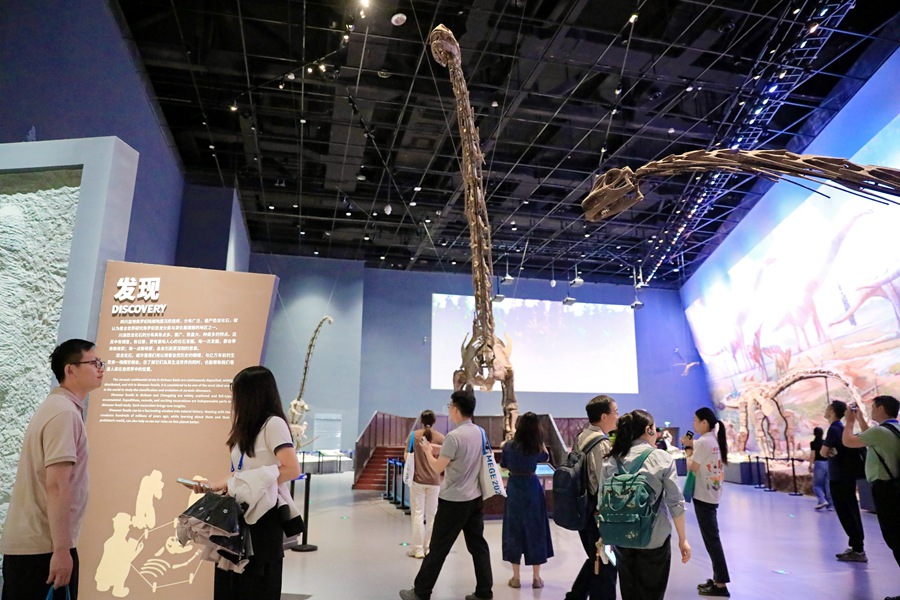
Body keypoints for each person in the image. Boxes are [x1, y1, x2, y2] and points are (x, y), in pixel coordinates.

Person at [0, 339, 104, 600]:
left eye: (101, 363)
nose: (100, 368)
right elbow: (57, 484)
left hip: (37, 548)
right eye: (94, 363)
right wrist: (61, 550)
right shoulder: (64, 413)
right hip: (42, 550)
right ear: (70, 370)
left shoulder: (58, 408)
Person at [200, 366, 302, 600]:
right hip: (237, 516)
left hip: (262, 518)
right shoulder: (246, 428)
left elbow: (292, 469)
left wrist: (250, 483)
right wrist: (214, 486)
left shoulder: (273, 424)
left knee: (256, 585)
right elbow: (241, 473)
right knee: (230, 583)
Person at [400, 390, 493, 600]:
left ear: (457, 409)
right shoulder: (480, 432)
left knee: (438, 548)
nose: (449, 409)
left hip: (453, 501)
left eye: (450, 405)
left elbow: (437, 467)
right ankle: (484, 591)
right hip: (474, 498)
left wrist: (427, 452)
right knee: (478, 546)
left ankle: (421, 592)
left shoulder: (454, 436)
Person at [600, 409, 691, 600]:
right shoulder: (662, 458)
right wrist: (683, 539)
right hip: (654, 536)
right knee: (652, 592)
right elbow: (675, 501)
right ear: (649, 430)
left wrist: (605, 535)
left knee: (629, 592)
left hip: (621, 535)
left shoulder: (611, 459)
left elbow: (602, 501)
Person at [564, 394, 619, 600]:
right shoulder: (601, 443)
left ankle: (575, 596)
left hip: (583, 509)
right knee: (606, 562)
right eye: (615, 412)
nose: (617, 416)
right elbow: (603, 483)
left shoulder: (582, 436)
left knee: (594, 557)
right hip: (598, 512)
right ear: (604, 416)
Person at [841, 395, 900, 576]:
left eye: (873, 407)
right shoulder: (892, 429)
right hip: (896, 486)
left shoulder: (880, 432)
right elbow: (871, 439)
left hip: (885, 489)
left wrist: (849, 421)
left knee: (893, 536)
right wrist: (860, 418)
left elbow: (848, 441)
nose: (871, 410)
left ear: (881, 408)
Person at [500, 411, 553, 589]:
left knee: (514, 530)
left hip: (515, 487)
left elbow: (504, 466)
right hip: (532, 488)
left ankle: (516, 578)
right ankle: (536, 578)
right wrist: (540, 440)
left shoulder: (509, 446)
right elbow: (545, 457)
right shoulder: (536, 447)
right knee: (536, 529)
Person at [681, 408, 730, 597]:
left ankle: (721, 584)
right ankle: (718, 579)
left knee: (712, 540)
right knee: (712, 538)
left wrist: (688, 450)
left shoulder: (703, 442)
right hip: (713, 492)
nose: (693, 423)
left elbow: (692, 466)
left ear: (704, 422)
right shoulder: (713, 440)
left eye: (695, 420)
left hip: (704, 495)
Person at [820, 400, 866, 562]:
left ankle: (858, 549)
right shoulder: (842, 428)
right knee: (851, 510)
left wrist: (829, 451)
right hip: (847, 476)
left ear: (832, 411)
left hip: (839, 476)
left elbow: (823, 452)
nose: (825, 411)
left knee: (846, 512)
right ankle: (857, 546)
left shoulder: (834, 429)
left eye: (827, 408)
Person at [406, 409, 445, 559]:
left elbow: (406, 456)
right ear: (434, 421)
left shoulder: (414, 436)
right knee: (432, 515)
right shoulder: (441, 437)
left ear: (421, 421)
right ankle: (429, 547)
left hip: (418, 480)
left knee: (418, 514)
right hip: (435, 481)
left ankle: (417, 549)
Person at [808, 427, 832, 510]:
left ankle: (822, 500)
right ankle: (830, 505)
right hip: (827, 463)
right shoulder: (825, 442)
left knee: (817, 485)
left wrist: (810, 465)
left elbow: (813, 455)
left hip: (819, 463)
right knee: (827, 484)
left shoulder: (813, 443)